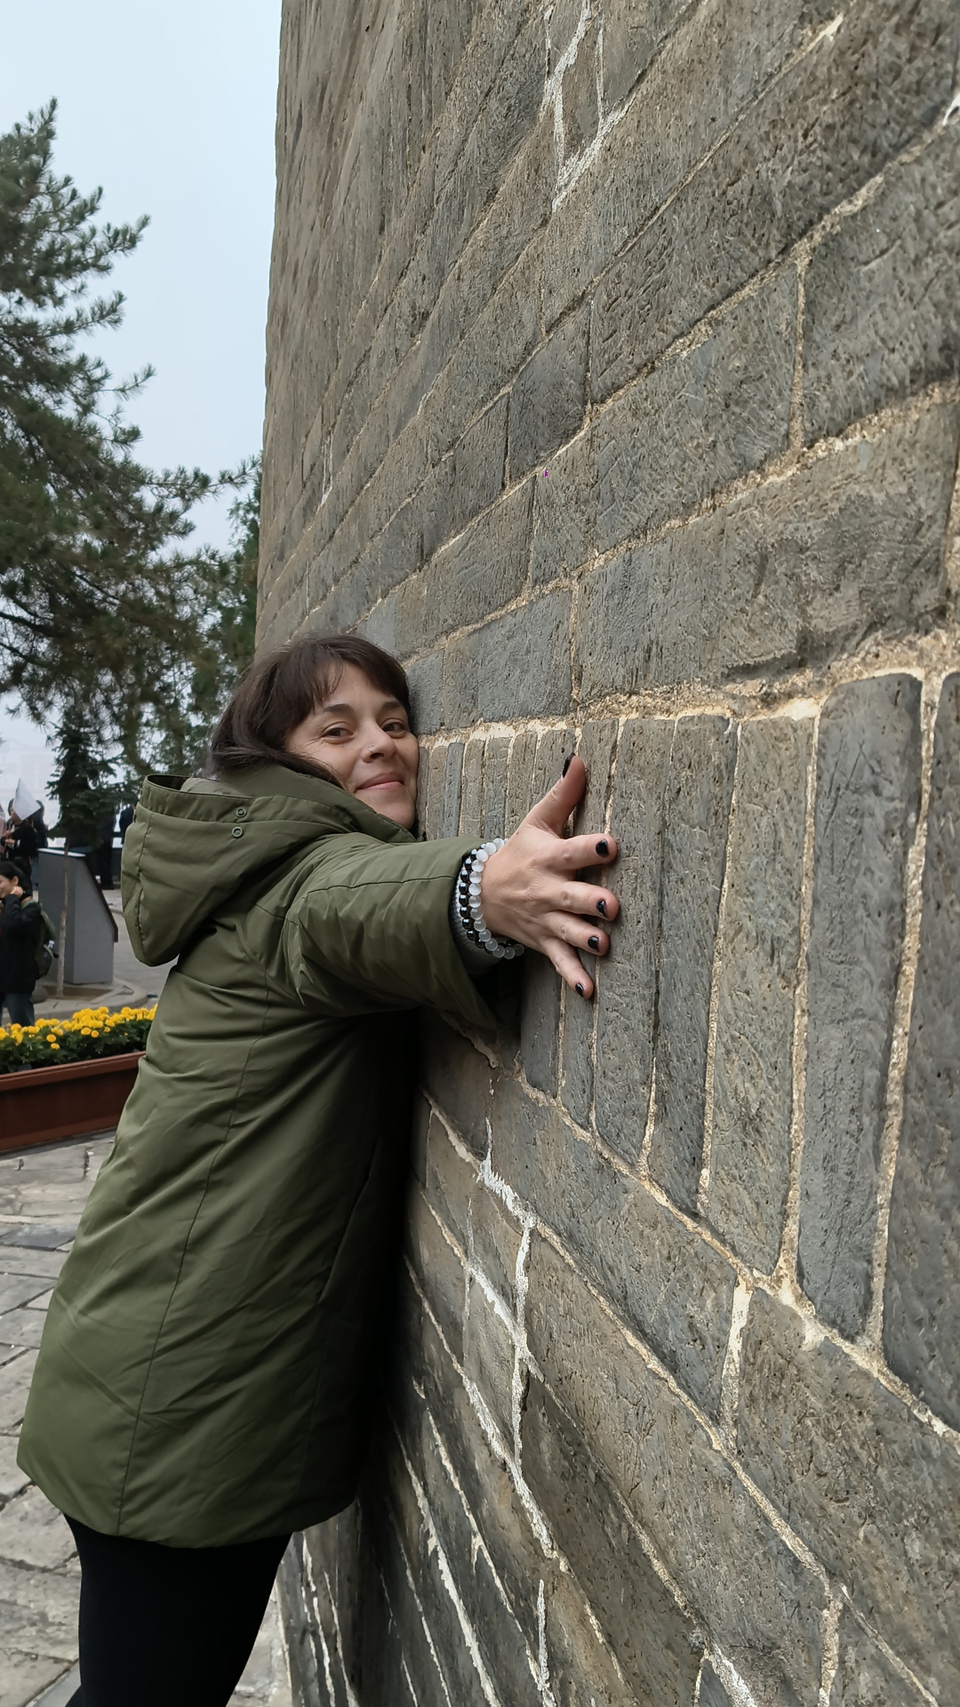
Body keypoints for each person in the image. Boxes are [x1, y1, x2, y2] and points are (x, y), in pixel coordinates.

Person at [17, 634, 619, 1707]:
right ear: (279, 764)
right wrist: (485, 889)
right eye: (333, 731)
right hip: (178, 1404)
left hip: (156, 1373)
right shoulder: (289, 883)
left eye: (392, 719)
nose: (380, 744)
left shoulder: (264, 868)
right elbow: (350, 911)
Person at [0, 858, 42, 1026]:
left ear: (14, 881)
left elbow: (13, 924)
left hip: (17, 981)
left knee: (24, 1028)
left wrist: (11, 899)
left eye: (0, 882)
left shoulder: (31, 908)